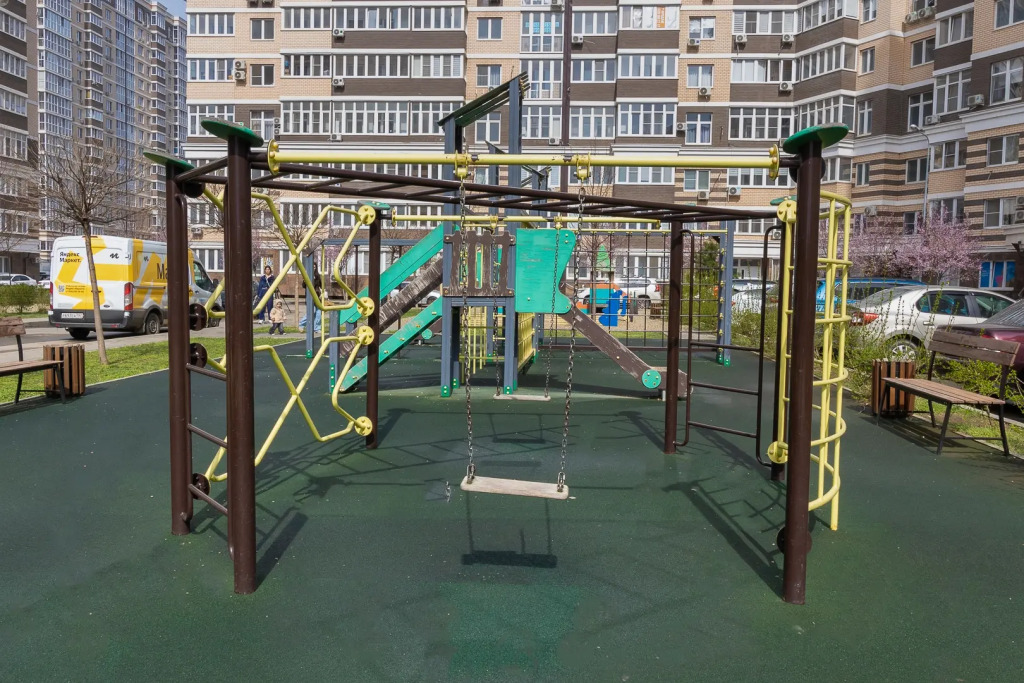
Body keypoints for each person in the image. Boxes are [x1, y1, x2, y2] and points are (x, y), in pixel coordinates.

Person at [300, 261, 323, 332]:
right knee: (312, 311)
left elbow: (321, 285)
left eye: (315, 267)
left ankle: (317, 328)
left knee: (318, 313)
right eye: (312, 267)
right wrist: (305, 281)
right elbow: (303, 286)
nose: (314, 268)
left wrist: (322, 293)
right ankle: (301, 324)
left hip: (317, 296)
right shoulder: (307, 275)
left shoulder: (317, 276)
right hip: (310, 296)